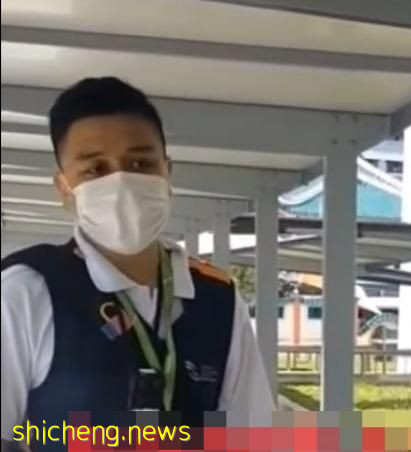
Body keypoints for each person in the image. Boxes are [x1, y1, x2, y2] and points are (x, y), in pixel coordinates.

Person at [1, 78, 274, 451]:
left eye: (140, 163)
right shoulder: (24, 293)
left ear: (167, 172)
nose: (121, 183)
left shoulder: (217, 300)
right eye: (95, 170)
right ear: (64, 188)